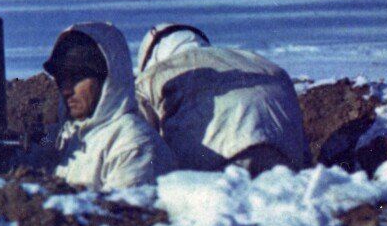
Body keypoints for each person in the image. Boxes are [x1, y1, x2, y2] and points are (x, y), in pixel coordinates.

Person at [132, 23, 310, 175]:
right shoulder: (265, 65)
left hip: (215, 170)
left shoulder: (155, 75)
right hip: (285, 163)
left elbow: (137, 138)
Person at [41, 22, 172, 190]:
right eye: (62, 78)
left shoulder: (133, 144)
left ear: (107, 80)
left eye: (77, 78)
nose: (66, 90)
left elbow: (120, 213)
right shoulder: (68, 137)